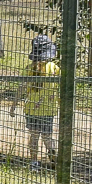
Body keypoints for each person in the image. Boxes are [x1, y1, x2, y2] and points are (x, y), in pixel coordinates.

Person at [22, 33, 60, 168]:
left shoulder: (29, 68)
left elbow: (22, 87)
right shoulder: (55, 68)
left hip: (31, 108)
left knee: (33, 136)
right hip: (47, 109)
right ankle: (54, 159)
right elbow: (59, 90)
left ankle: (34, 162)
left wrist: (14, 105)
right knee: (47, 136)